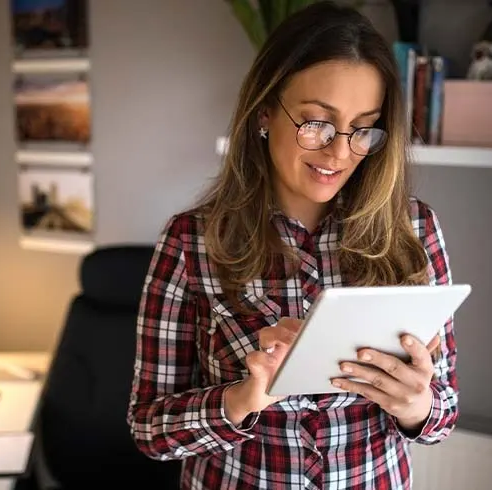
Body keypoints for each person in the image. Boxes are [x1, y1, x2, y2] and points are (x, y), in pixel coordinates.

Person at [127, 3, 458, 489]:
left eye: (363, 128)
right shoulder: (192, 241)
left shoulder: (413, 229)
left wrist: (418, 406)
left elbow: (444, 413)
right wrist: (240, 399)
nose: (340, 152)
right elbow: (148, 427)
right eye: (316, 122)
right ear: (265, 111)